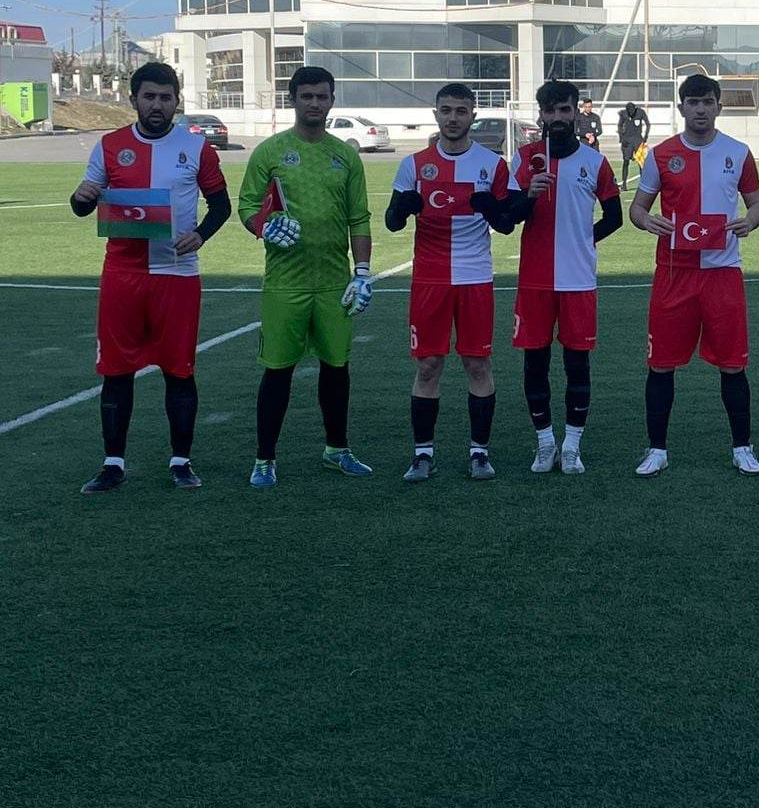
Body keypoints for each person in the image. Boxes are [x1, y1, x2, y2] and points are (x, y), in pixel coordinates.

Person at [70, 62, 231, 494]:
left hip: (177, 275)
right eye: (149, 97)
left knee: (179, 370)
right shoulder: (110, 145)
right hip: (123, 274)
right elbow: (83, 204)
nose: (157, 105)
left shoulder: (196, 148)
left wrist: (200, 235)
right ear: (134, 100)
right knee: (116, 370)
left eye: (165, 97)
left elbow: (221, 206)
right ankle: (112, 464)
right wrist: (81, 198)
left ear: (176, 101)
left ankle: (181, 462)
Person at [238, 65, 375, 487]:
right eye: (307, 96)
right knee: (278, 370)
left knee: (336, 367)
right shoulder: (270, 152)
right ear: (293, 99)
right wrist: (264, 226)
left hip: (334, 281)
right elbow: (247, 205)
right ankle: (264, 459)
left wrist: (362, 272)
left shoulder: (345, 155)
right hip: (286, 282)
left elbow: (359, 217)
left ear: (332, 100)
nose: (315, 103)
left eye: (322, 96)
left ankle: (337, 449)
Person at [628, 74, 759, 476]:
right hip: (675, 273)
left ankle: (742, 447)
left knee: (733, 364)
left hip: (723, 273)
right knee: (661, 364)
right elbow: (638, 208)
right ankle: (657, 449)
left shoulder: (738, 152)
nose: (701, 109)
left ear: (718, 106)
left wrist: (749, 222)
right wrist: (647, 221)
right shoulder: (661, 154)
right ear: (681, 107)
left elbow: (757, 205)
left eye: (707, 102)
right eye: (693, 102)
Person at [385, 83, 513, 482]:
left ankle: (480, 453)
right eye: (446, 110)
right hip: (430, 277)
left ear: (473, 115)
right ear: (436, 114)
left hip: (475, 277)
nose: (453, 117)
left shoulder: (493, 164)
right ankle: (423, 454)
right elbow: (391, 221)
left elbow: (507, 223)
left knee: (478, 363)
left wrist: (493, 210)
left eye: (461, 111)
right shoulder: (414, 164)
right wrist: (402, 209)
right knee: (428, 365)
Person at [505, 79, 623, 475]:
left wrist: (584, 241)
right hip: (534, 280)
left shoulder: (595, 161)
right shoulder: (525, 158)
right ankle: (544, 443)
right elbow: (508, 218)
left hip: (578, 280)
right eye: (550, 110)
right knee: (535, 364)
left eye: (564, 109)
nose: (557, 117)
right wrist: (529, 195)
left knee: (577, 365)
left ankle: (572, 445)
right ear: (541, 114)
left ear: (575, 113)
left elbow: (614, 217)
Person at [617, 100, 651, 190]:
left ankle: (643, 184)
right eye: (629, 110)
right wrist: (621, 138)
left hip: (638, 140)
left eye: (632, 110)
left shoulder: (640, 112)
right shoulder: (623, 113)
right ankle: (624, 184)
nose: (630, 112)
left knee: (641, 162)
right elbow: (619, 125)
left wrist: (645, 137)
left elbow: (648, 124)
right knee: (626, 161)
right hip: (627, 140)